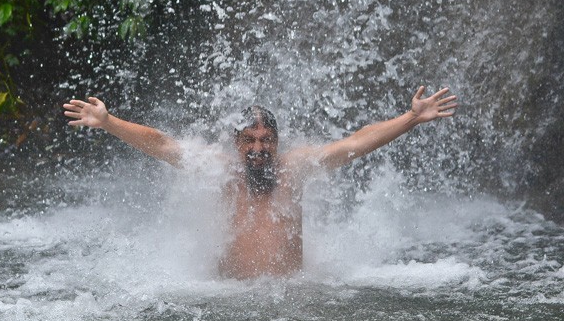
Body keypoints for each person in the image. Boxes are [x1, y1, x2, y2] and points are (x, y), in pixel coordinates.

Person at [61, 86, 458, 279]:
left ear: (277, 143)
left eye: (266, 140)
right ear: (236, 143)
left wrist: (411, 119)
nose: (257, 149)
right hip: (229, 304)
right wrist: (109, 122)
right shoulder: (221, 171)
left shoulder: (295, 169)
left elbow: (355, 142)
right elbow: (163, 145)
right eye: (249, 140)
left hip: (288, 303)